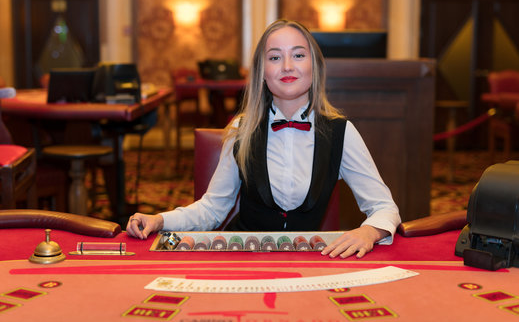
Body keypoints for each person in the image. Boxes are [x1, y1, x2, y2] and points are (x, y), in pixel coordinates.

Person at [127, 19, 401, 258]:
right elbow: (213, 208)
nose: (286, 66)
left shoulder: (341, 132)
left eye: (298, 55)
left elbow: (384, 207)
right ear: (262, 73)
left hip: (309, 261)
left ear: (314, 66)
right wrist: (160, 219)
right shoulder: (241, 129)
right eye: (274, 57)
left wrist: (369, 231)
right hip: (243, 257)